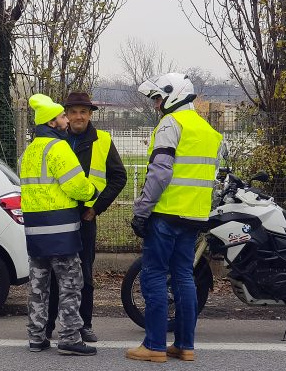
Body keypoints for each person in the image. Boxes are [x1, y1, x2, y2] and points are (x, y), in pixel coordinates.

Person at [126, 73, 223, 363]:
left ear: (173, 95)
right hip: (194, 216)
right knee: (183, 277)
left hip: (166, 214)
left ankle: (154, 346)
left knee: (154, 275)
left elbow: (160, 172)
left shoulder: (171, 123)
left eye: (158, 98)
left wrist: (142, 210)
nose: (156, 105)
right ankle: (185, 345)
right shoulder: (208, 131)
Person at [20, 94, 100, 356]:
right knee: (69, 284)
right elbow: (76, 185)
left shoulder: (30, 151)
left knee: (38, 286)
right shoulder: (59, 148)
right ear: (52, 123)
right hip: (61, 229)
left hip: (35, 229)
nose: (67, 119)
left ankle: (36, 337)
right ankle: (69, 337)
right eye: (63, 116)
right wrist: (92, 192)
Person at [45, 92, 127, 342]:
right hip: (58, 217)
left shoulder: (103, 140)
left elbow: (118, 177)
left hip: (85, 218)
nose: (78, 116)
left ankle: (84, 325)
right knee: (54, 275)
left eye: (83, 111)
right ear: (66, 115)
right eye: (73, 111)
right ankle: (48, 327)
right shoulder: (57, 139)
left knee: (84, 274)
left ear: (90, 114)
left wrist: (96, 208)